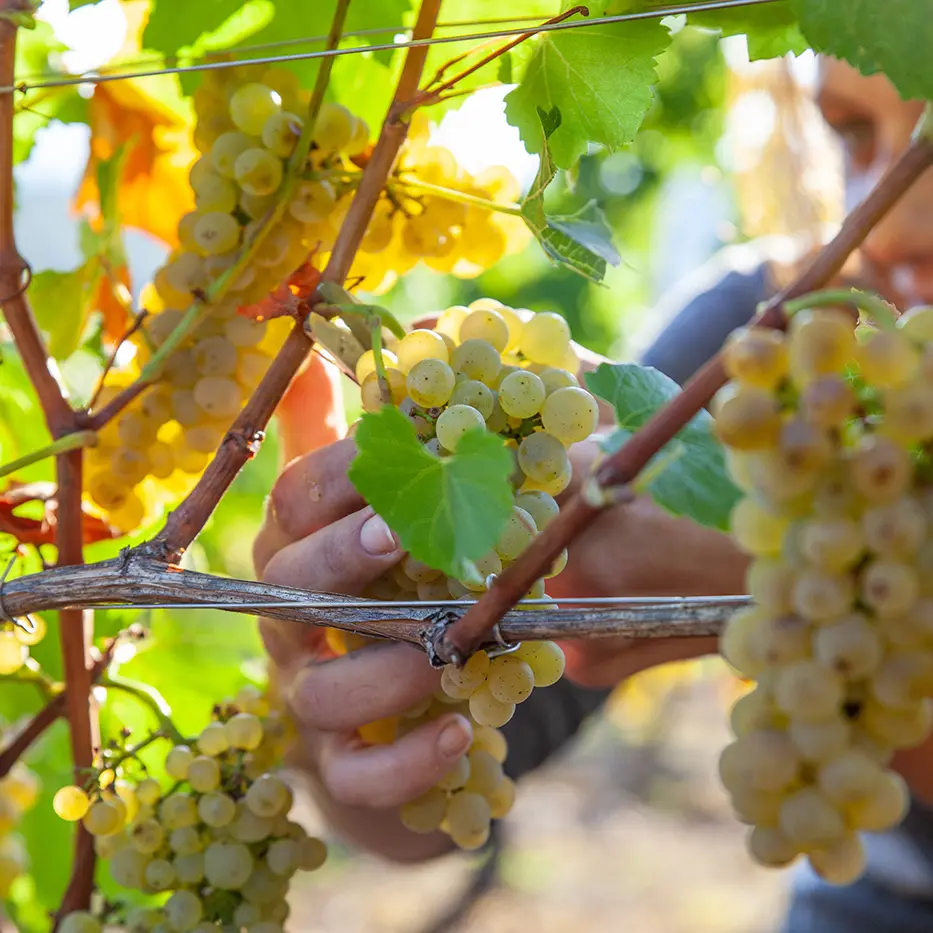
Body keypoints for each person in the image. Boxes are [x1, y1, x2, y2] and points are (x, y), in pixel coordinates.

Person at [253, 58, 933, 931]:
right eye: (849, 132)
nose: (894, 222)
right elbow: (422, 815)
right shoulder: (762, 341)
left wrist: (777, 568)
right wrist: (337, 697)